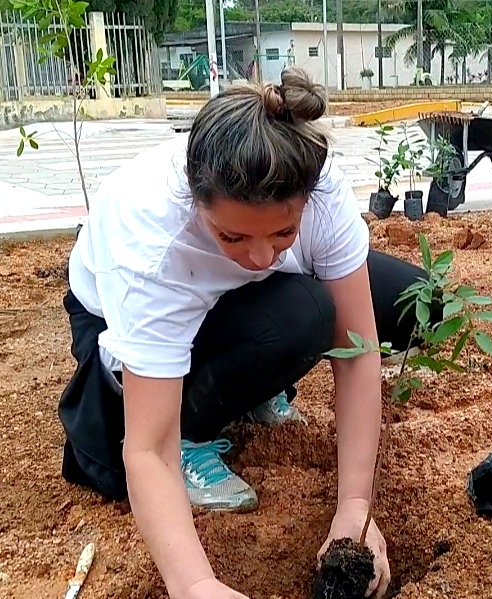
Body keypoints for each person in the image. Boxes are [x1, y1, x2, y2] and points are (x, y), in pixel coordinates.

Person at [56, 67, 429, 599]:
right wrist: (195, 585)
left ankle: (255, 374)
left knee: (413, 300)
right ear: (195, 199)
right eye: (233, 235)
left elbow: (357, 353)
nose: (258, 255)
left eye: (284, 230)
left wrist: (355, 509)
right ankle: (201, 426)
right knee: (303, 317)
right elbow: (147, 448)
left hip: (252, 296)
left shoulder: (320, 191)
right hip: (119, 313)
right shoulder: (152, 242)